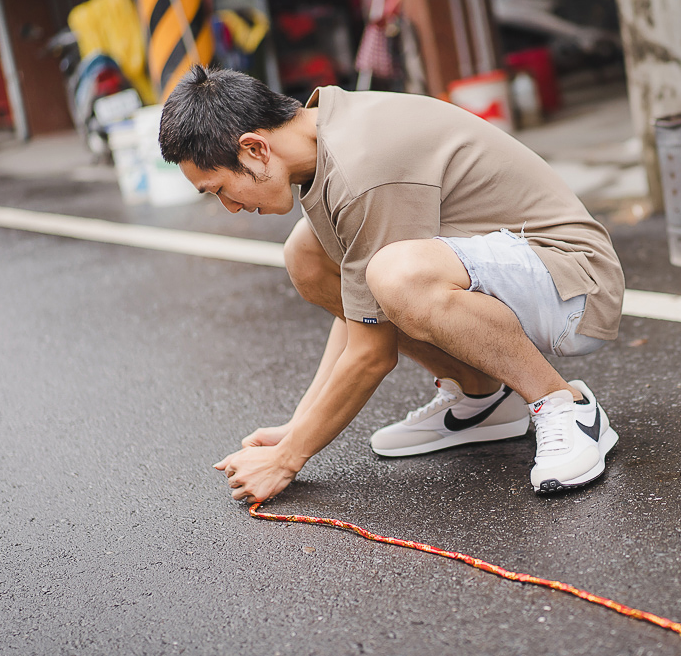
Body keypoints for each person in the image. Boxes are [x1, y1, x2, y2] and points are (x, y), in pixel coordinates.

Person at [158, 66, 625, 503]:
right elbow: (358, 310)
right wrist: (299, 424)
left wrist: (287, 459)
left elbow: (370, 352)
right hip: (518, 272)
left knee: (397, 277)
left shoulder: (361, 168)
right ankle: (483, 399)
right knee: (308, 255)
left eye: (219, 189)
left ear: (255, 148)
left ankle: (564, 405)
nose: (230, 207)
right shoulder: (320, 139)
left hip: (573, 284)